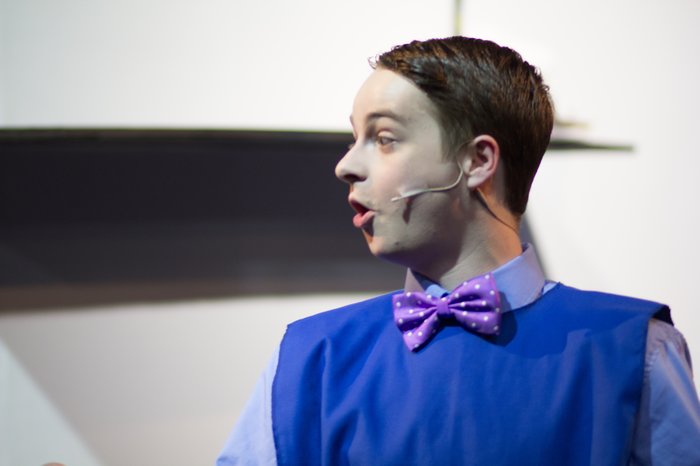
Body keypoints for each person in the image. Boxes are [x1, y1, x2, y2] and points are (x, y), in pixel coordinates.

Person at [217, 36, 700, 465]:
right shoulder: (311, 359)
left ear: (477, 160)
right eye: (354, 138)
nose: (346, 166)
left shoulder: (633, 351)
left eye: (384, 139)